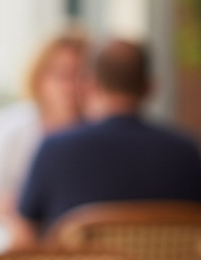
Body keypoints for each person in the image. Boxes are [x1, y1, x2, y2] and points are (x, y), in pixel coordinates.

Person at [15, 38, 201, 238]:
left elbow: (22, 239)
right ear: (149, 87)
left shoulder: (54, 149)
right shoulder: (187, 152)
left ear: (88, 84)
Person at [0, 30, 88, 220]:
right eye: (61, 75)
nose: (71, 87)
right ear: (39, 78)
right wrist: (24, 203)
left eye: (80, 76)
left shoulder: (100, 132)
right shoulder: (13, 127)